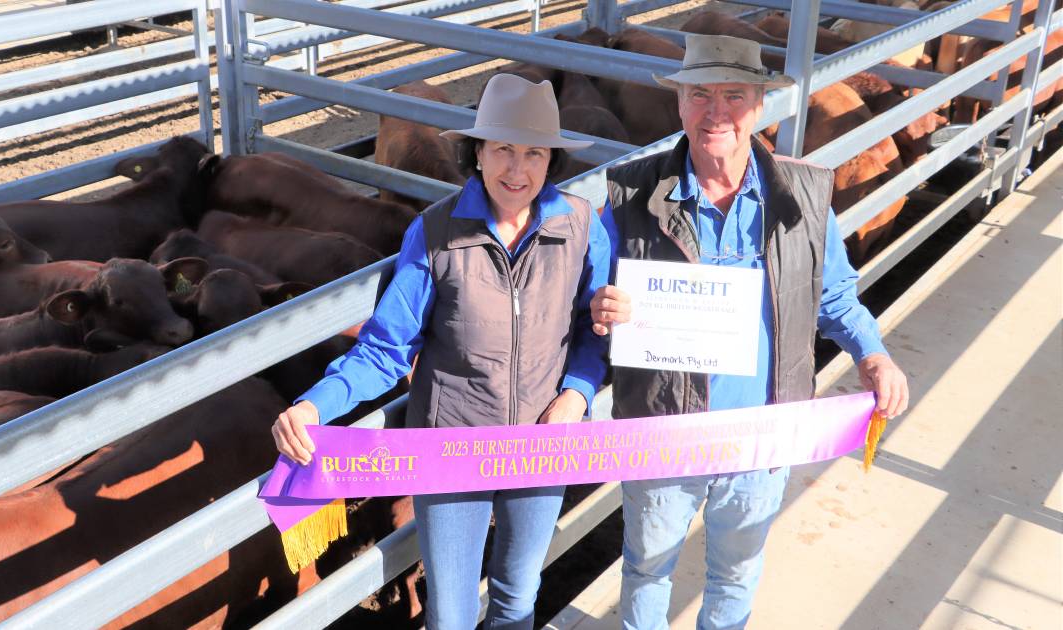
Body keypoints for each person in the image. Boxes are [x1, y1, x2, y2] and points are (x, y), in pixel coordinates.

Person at [589, 35, 910, 630]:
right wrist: (600, 308)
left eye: (734, 96)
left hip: (762, 434)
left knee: (735, 574)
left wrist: (873, 354)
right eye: (700, 95)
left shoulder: (805, 196)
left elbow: (834, 294)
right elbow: (594, 302)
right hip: (664, 430)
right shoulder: (628, 193)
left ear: (760, 105)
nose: (717, 113)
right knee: (646, 572)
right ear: (680, 104)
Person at [271, 73, 611, 630]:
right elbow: (385, 348)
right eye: (502, 149)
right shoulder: (433, 233)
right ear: (477, 153)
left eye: (534, 153)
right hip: (451, 446)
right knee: (450, 613)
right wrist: (315, 406)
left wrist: (576, 391)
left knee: (518, 595)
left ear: (552, 161)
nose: (517, 170)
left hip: (541, 441)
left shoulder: (578, 226)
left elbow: (594, 329)